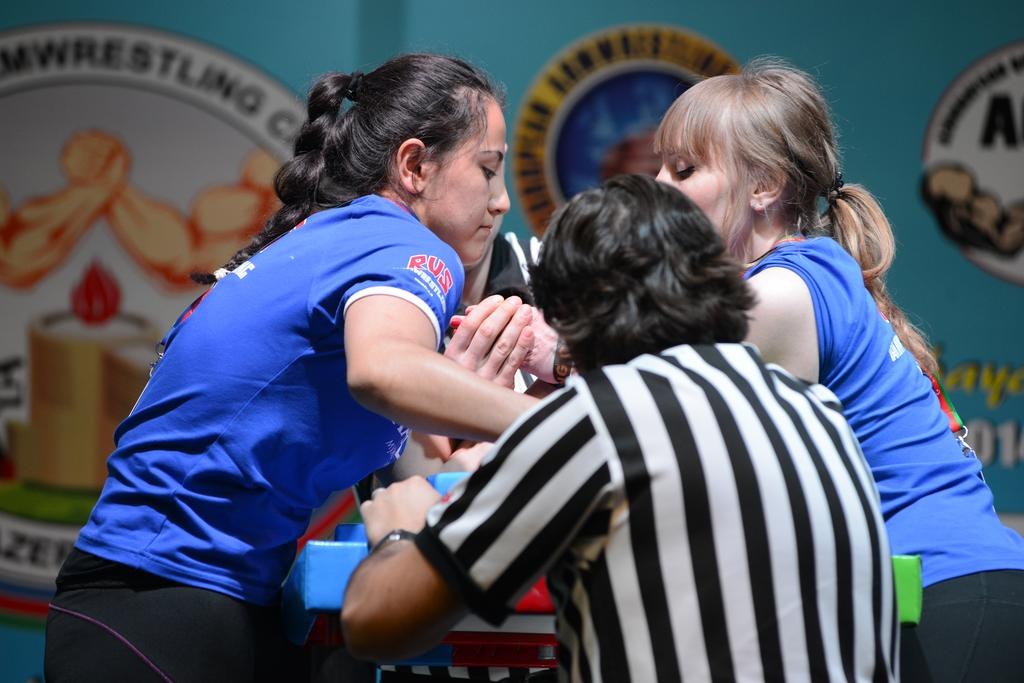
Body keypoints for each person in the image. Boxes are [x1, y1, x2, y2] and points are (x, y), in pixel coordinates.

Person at [43, 53, 544, 683]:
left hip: (181, 592)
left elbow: (418, 438)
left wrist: (475, 401)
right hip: (158, 595)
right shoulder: (401, 243)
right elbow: (384, 372)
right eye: (487, 170)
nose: (500, 204)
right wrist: (567, 422)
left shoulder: (340, 237)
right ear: (415, 165)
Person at [340, 174, 898, 682]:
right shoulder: (816, 412)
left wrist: (399, 532)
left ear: (564, 325)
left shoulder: (601, 423)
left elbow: (375, 624)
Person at [653, 58, 1024, 681]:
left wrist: (556, 353)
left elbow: (655, 429)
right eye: (658, 165)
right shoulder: (817, 266)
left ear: (765, 185)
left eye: (684, 170)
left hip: (946, 599)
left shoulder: (779, 298)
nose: (659, 185)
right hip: (961, 591)